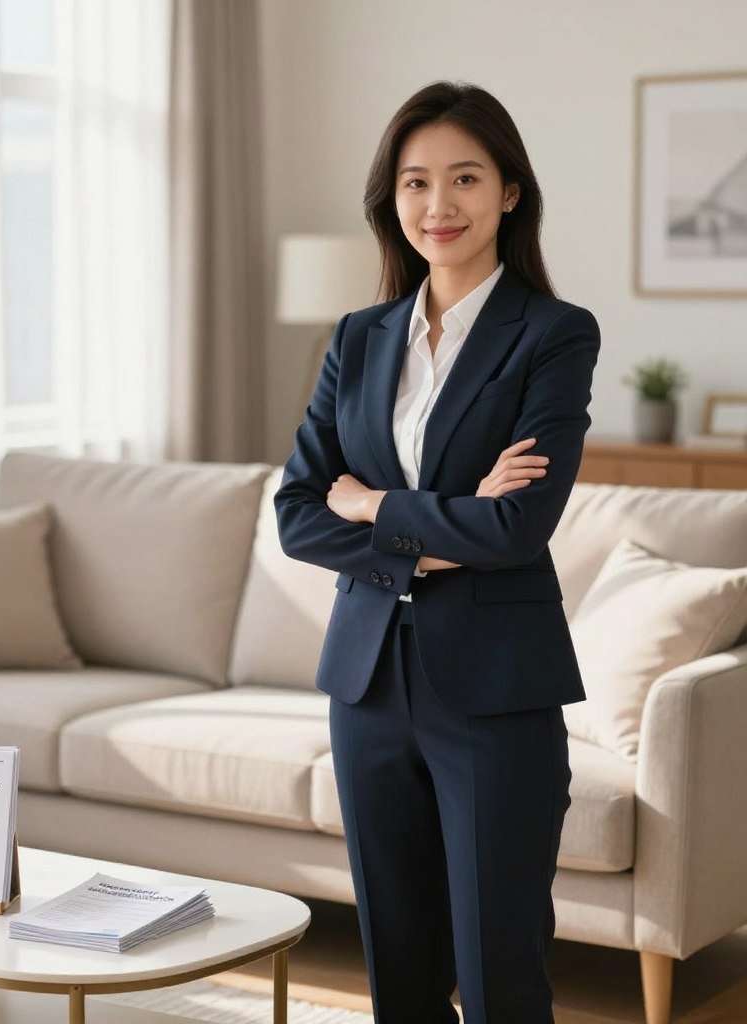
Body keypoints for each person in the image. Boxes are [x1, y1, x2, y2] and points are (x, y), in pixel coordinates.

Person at [273, 80, 601, 1024]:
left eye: (464, 178)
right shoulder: (359, 338)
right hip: (366, 684)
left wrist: (374, 504)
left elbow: (517, 530)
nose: (438, 204)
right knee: (400, 977)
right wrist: (435, 535)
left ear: (508, 191)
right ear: (392, 200)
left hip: (497, 690)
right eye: (415, 182)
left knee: (501, 976)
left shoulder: (551, 333)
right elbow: (298, 513)